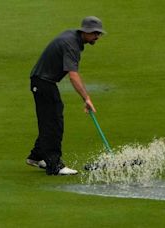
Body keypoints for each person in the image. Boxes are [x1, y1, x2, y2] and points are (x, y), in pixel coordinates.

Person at [26, 16, 106, 175]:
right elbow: (73, 76)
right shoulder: (71, 44)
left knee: (51, 120)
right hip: (43, 83)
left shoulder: (73, 38)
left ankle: (37, 156)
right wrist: (86, 98)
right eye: (95, 33)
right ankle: (54, 165)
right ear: (85, 32)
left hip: (43, 82)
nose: (97, 36)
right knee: (53, 122)